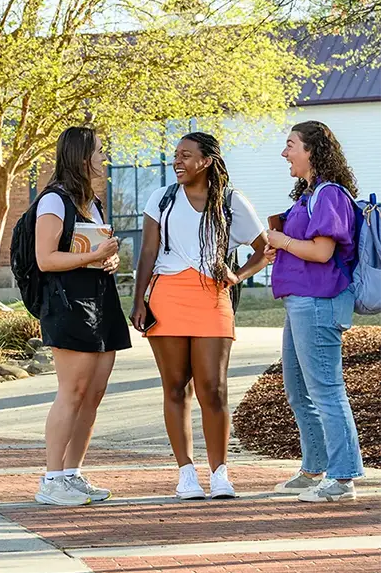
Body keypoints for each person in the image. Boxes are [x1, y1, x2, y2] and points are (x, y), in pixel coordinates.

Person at [131, 132, 268, 500]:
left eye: (186, 156)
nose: (178, 162)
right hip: (167, 295)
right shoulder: (159, 199)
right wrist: (138, 299)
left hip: (212, 297)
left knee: (214, 388)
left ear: (206, 161)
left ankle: (220, 473)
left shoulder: (231, 201)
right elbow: (147, 252)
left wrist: (237, 275)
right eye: (176, 155)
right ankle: (186, 474)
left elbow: (264, 250)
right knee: (175, 387)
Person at [266, 120, 363, 502]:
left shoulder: (329, 194)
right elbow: (304, 248)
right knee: (299, 389)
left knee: (326, 390)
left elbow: (322, 253)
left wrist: (283, 240)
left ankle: (342, 479)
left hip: (319, 303)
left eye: (291, 145)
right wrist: (280, 245)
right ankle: (314, 469)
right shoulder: (308, 197)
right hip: (300, 303)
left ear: (312, 150)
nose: (284, 153)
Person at [34, 126, 132, 506]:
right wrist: (93, 256)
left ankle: (72, 474)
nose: (103, 157)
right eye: (98, 151)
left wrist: (107, 258)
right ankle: (51, 479)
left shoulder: (92, 202)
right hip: (68, 304)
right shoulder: (54, 201)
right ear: (81, 156)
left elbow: (87, 251)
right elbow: (46, 259)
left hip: (100, 300)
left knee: (93, 393)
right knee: (71, 391)